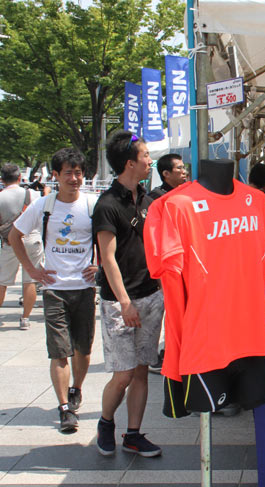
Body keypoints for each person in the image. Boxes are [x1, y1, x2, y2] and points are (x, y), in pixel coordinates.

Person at [9, 148, 98, 433]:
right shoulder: (44, 205)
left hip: (84, 288)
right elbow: (14, 235)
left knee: (83, 350)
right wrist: (33, 270)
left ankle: (76, 389)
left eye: (78, 172)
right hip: (54, 289)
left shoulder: (92, 205)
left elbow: (110, 239)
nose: (74, 178)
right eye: (68, 173)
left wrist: (100, 265)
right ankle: (64, 408)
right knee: (58, 351)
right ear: (56, 176)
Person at [93, 131, 164, 458]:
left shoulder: (148, 201)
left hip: (151, 296)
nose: (150, 160)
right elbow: (107, 259)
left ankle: (133, 433)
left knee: (140, 371)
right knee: (122, 374)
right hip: (119, 302)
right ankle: (106, 422)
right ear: (129, 163)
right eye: (145, 155)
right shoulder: (107, 205)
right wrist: (124, 303)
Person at [147, 153, 187, 373]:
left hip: (183, 264)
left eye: (183, 168)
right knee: (168, 314)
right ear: (165, 173)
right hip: (166, 266)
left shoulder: (186, 195)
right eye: (179, 168)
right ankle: (162, 355)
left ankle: (171, 352)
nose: (184, 172)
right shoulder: (156, 199)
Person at [0, 163, 42, 329]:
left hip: (9, 241)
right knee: (29, 280)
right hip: (31, 238)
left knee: (2, 281)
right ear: (19, 177)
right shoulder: (32, 194)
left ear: (2, 180)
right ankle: (25, 318)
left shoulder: (1, 196)